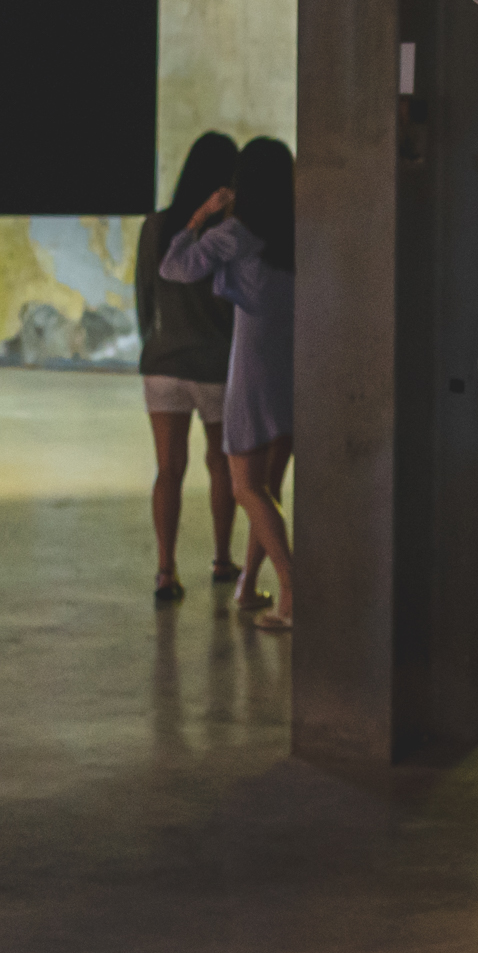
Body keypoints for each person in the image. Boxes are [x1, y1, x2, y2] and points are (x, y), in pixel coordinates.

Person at [160, 136, 295, 632]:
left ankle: (292, 590)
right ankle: (249, 586)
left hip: (253, 364)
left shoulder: (234, 233)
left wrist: (200, 216)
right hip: (291, 363)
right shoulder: (295, 232)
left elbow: (174, 267)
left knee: (245, 486)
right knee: (267, 487)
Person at [137, 133, 239, 605]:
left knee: (168, 469)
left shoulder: (156, 226)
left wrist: (153, 343)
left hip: (163, 364)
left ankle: (165, 569)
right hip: (215, 364)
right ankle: (221, 560)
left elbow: (145, 295)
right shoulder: (229, 232)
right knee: (220, 465)